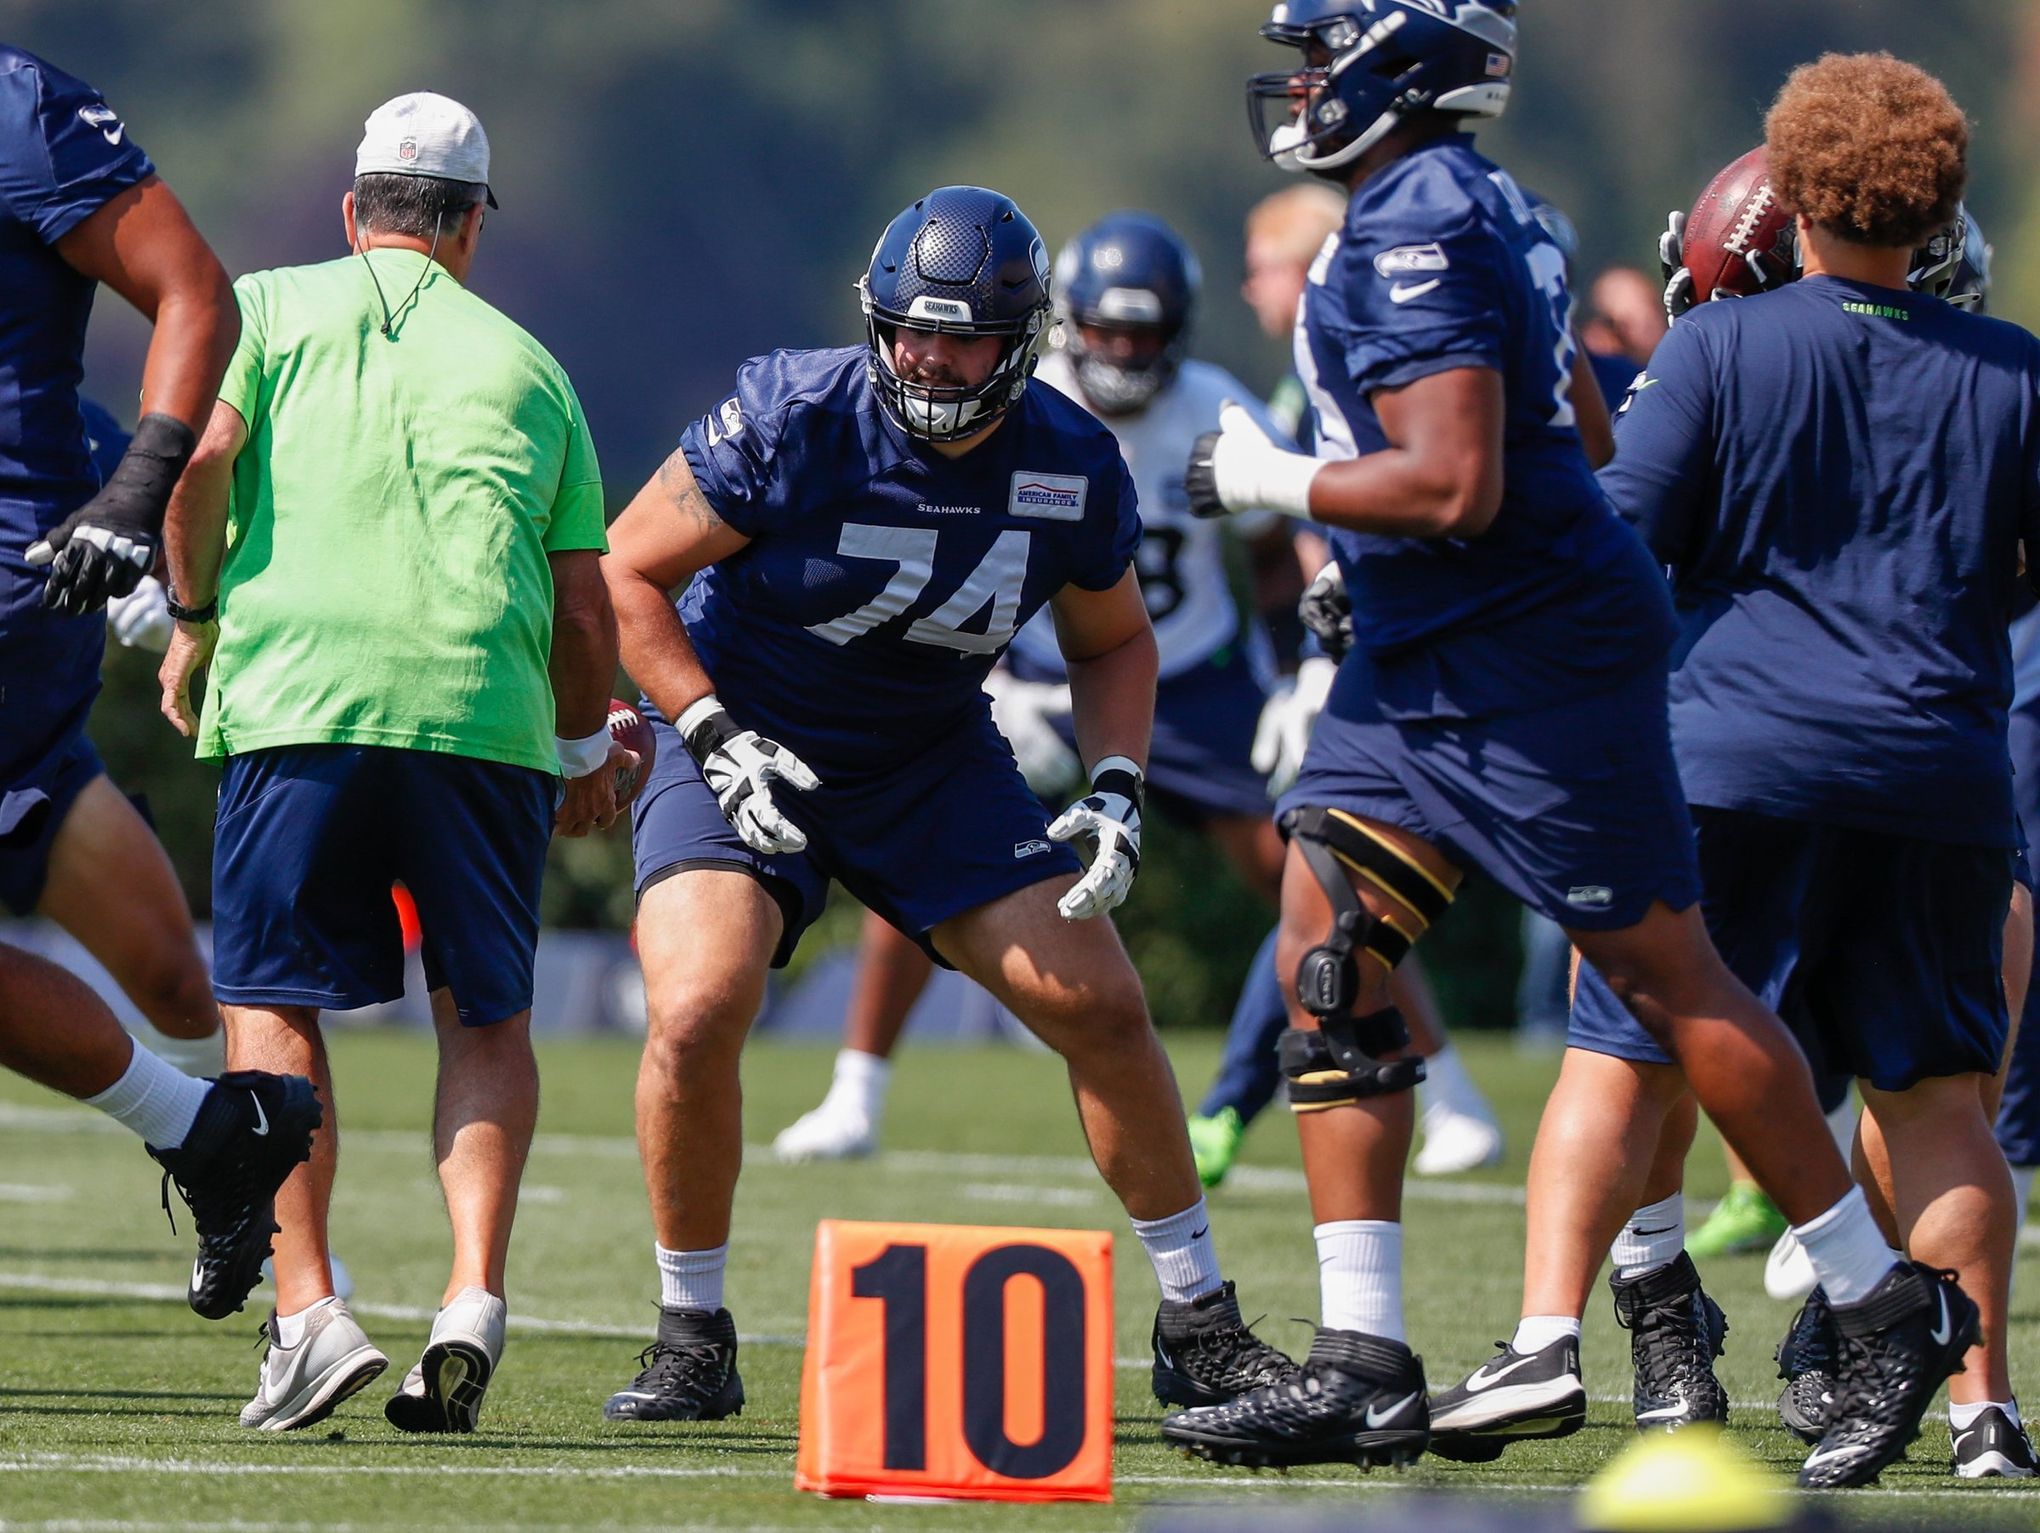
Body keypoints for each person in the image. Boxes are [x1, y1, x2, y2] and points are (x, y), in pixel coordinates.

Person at [1161, 9, 1975, 1491]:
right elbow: (1582, 433)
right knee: (1326, 949)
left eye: (1327, 46)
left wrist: (1277, 478)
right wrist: (1394, 568)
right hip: (1435, 645)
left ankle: (1881, 1297)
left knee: (1670, 983)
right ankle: (1365, 1360)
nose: (1302, 78)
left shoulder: (1421, 218)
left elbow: (1461, 479)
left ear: (1402, 65)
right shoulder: (1483, 208)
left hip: (1526, 660)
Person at [1424, 57, 2035, 1480]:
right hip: (1941, 765)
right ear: (1940, 204)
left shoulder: (1716, 349)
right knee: (1942, 1104)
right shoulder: (2016, 373)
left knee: (1623, 1054)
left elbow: (1617, 548)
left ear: (1795, 193)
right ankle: (1980, 1409)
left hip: (1731, 757)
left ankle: (1543, 1340)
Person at [599, 184, 1294, 1425]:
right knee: (701, 1006)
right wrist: (708, 732)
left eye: (962, 335)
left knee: (1103, 1008)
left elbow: (1116, 643)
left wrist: (1121, 786)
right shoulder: (794, 413)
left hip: (925, 754)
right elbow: (625, 572)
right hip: (743, 731)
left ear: (1022, 340)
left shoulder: (1070, 461)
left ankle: (1200, 1320)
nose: (927, 357)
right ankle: (691, 1331)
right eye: (909, 329)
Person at [767, 209, 1502, 1183]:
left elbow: (1279, 559)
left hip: (1180, 672)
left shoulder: (1211, 405)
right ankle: (855, 1091)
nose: (1121, 354)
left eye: (1143, 336)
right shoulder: (1019, 395)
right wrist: (984, 675)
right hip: (1016, 669)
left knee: (1319, 862)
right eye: (1105, 332)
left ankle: (1447, 1089)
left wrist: (1299, 672)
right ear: (1060, 324)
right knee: (928, 852)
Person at [158, 92, 627, 1435]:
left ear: (352, 209)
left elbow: (201, 464)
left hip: (295, 697)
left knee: (271, 1002)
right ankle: (473, 1296)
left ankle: (309, 1313)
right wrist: (587, 743)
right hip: (481, 714)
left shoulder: (264, 309)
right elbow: (584, 605)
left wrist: (194, 620)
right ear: (473, 227)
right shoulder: (536, 368)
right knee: (485, 1014)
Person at [0, 42, 319, 1326]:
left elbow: (193, 288)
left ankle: (208, 1135)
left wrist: (136, 489)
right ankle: (212, 1133)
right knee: (180, 987)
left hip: (16, 570)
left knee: (182, 984)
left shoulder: (18, 107)